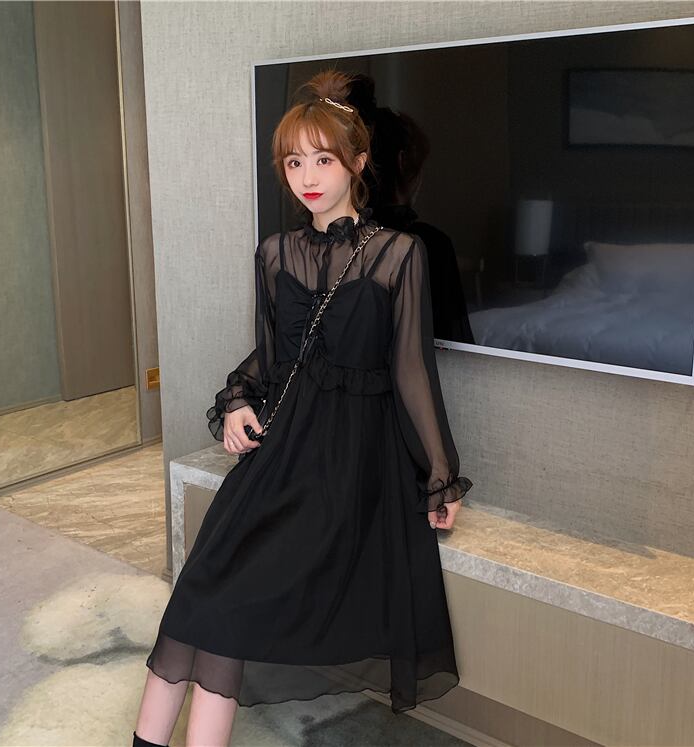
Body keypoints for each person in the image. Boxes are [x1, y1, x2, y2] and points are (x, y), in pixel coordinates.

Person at [133, 69, 473, 747]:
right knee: (201, 591)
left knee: (224, 605)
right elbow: (274, 357)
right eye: (294, 162)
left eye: (323, 159)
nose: (308, 177)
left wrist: (440, 475)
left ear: (359, 161)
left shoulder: (398, 254)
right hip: (283, 450)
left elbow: (412, 370)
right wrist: (237, 402)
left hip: (352, 462)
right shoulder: (275, 254)